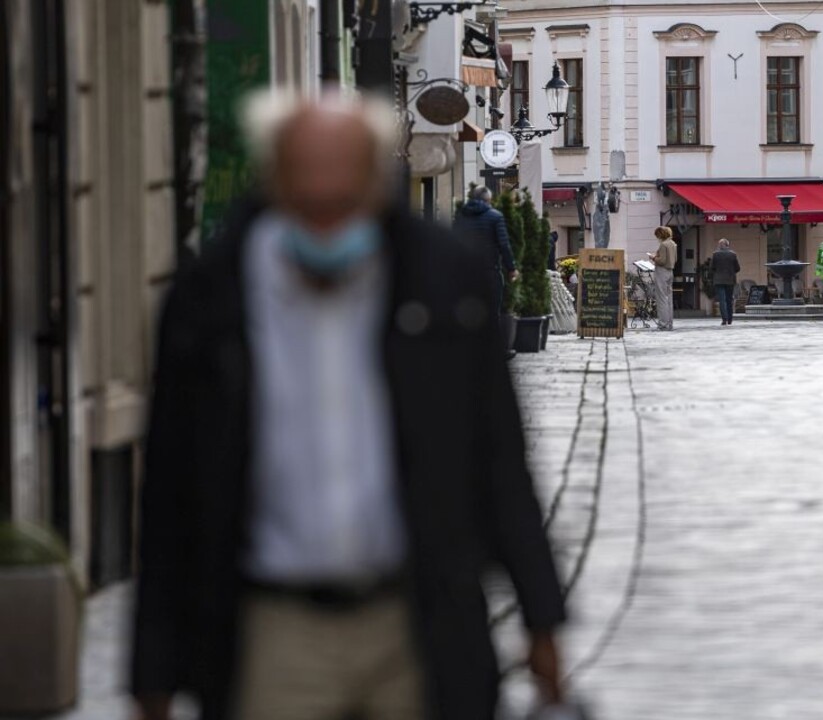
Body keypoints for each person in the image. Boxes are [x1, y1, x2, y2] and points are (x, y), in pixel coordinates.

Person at [131, 90, 566, 720]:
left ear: (374, 185)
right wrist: (154, 674)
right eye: (309, 204)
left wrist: (542, 621)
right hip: (274, 625)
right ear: (276, 183)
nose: (326, 226)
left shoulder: (443, 282)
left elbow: (499, 458)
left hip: (417, 615)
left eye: (342, 204)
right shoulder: (211, 301)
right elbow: (171, 491)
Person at [454, 185, 519, 316]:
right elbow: (504, 245)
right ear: (488, 200)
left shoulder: (461, 217)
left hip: (465, 273)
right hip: (489, 272)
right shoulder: (495, 217)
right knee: (491, 313)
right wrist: (511, 269)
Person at [649, 226, 678, 331]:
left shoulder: (663, 245)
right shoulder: (673, 244)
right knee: (669, 298)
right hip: (670, 271)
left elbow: (662, 261)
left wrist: (653, 257)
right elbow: (674, 259)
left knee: (661, 298)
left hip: (662, 271)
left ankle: (663, 323)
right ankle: (669, 323)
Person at [710, 238, 741, 325]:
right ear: (727, 245)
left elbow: (712, 267)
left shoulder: (715, 254)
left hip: (719, 280)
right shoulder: (733, 254)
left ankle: (724, 319)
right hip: (730, 280)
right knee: (729, 300)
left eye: (719, 244)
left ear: (720, 245)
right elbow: (738, 268)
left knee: (722, 300)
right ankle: (730, 319)